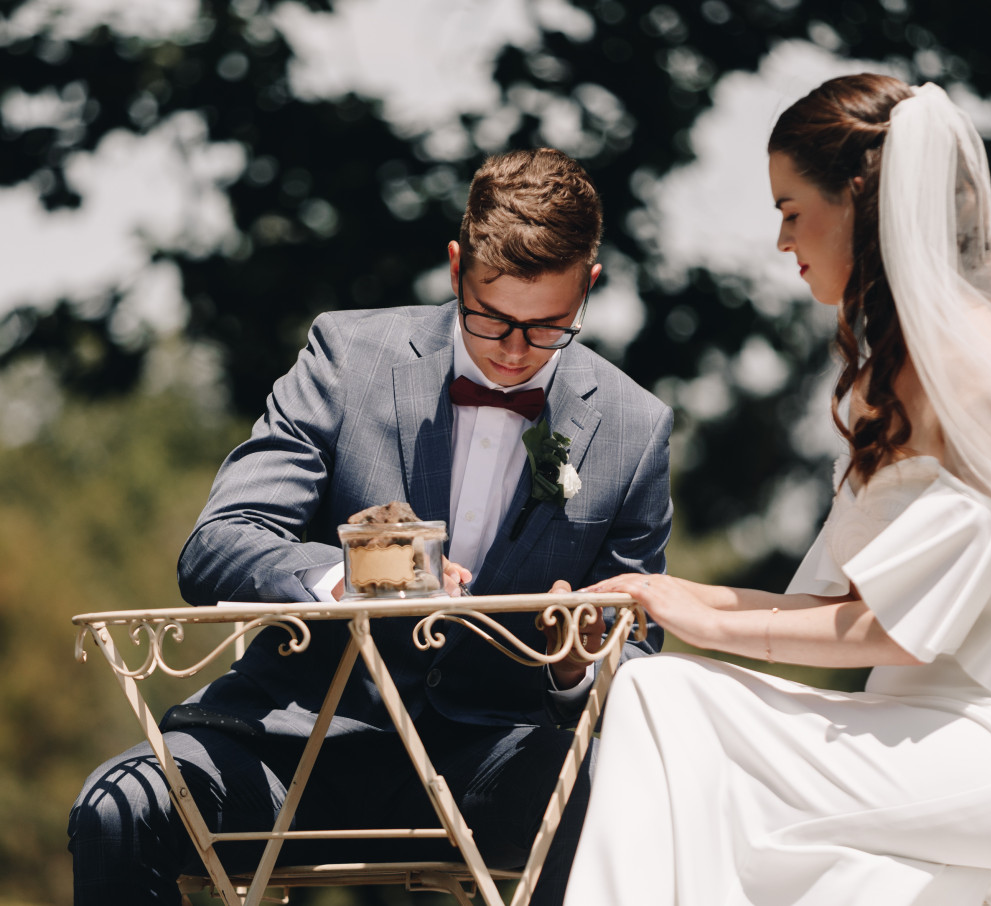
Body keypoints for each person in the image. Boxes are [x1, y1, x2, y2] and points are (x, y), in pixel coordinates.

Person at [561, 74, 991, 906]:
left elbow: (893, 631)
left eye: (790, 210)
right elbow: (839, 603)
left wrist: (690, 611)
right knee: (731, 788)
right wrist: (662, 593)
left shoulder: (987, 374)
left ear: (857, 201)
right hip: (917, 733)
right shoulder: (890, 378)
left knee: (663, 697)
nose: (780, 240)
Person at [68, 147, 673, 905]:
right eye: (490, 319)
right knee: (118, 810)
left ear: (590, 286)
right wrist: (348, 577)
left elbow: (638, 643)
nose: (516, 353)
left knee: (626, 806)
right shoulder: (345, 355)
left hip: (493, 757)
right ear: (457, 267)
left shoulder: (633, 426)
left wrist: (574, 665)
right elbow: (220, 540)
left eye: (548, 328)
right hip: (292, 741)